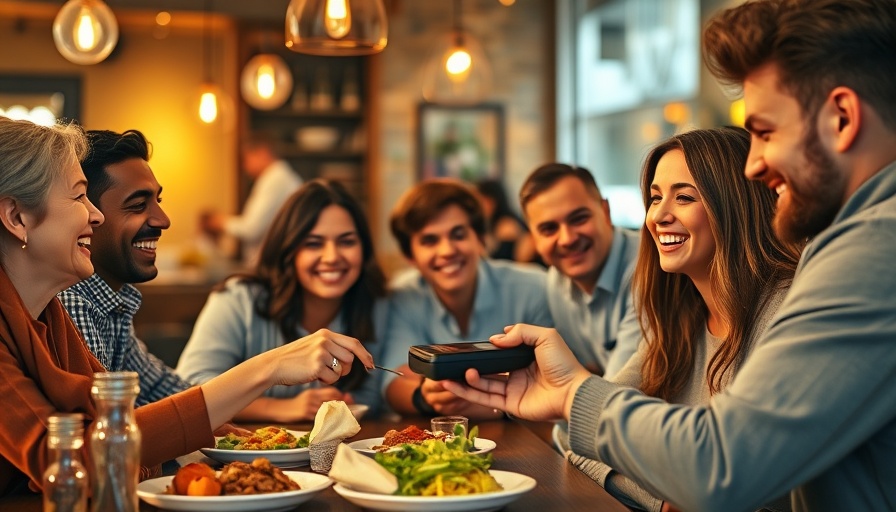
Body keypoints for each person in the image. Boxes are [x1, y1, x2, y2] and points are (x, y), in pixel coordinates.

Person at [443, 1, 896, 510]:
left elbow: (725, 468)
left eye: (765, 132)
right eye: (655, 197)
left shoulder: (873, 250)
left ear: (843, 117)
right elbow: (587, 446)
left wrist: (575, 394)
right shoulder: (679, 315)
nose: (754, 165)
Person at [0, 118, 372, 496]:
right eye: (79, 197)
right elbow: (81, 460)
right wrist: (267, 368)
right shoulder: (63, 303)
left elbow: (118, 423)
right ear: (16, 218)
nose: (93, 216)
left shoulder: (48, 314)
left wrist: (261, 441)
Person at [564, 126, 801, 512]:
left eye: (684, 197)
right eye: (655, 198)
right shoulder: (679, 320)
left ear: (736, 205)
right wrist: (664, 502)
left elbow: (753, 486)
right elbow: (582, 440)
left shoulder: (786, 311)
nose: (658, 216)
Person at [178, 179, 388, 421]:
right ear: (288, 250)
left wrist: (344, 403)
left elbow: (375, 396)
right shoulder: (238, 298)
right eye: (313, 243)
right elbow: (189, 388)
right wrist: (280, 408)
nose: (332, 257)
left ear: (364, 249)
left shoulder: (377, 303)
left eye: (347, 241)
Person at [381, 178, 552, 420]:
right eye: (429, 240)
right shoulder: (403, 295)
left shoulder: (534, 288)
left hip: (528, 439)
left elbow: (554, 377)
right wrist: (427, 397)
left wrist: (496, 406)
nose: (447, 250)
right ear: (410, 256)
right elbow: (394, 379)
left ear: (480, 239)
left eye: (458, 234)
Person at [58, 129, 193, 407]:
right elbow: (108, 425)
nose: (163, 220)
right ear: (86, 215)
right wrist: (267, 370)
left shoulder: (111, 299)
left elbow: (163, 388)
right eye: (138, 205)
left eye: (158, 201)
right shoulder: (71, 302)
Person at [519, 164, 639, 378]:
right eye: (549, 229)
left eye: (579, 219)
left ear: (606, 212)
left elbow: (616, 392)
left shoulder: (647, 268)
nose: (567, 239)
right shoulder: (556, 282)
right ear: (533, 238)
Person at [200, 133, 302, 266]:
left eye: (246, 159)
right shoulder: (279, 177)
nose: (245, 166)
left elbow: (252, 228)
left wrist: (221, 222)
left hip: (273, 264)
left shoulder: (275, 180)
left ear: (262, 153)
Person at [474, 178, 538, 264]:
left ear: (492, 201)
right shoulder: (492, 225)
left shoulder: (507, 225)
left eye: (480, 200)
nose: (477, 206)